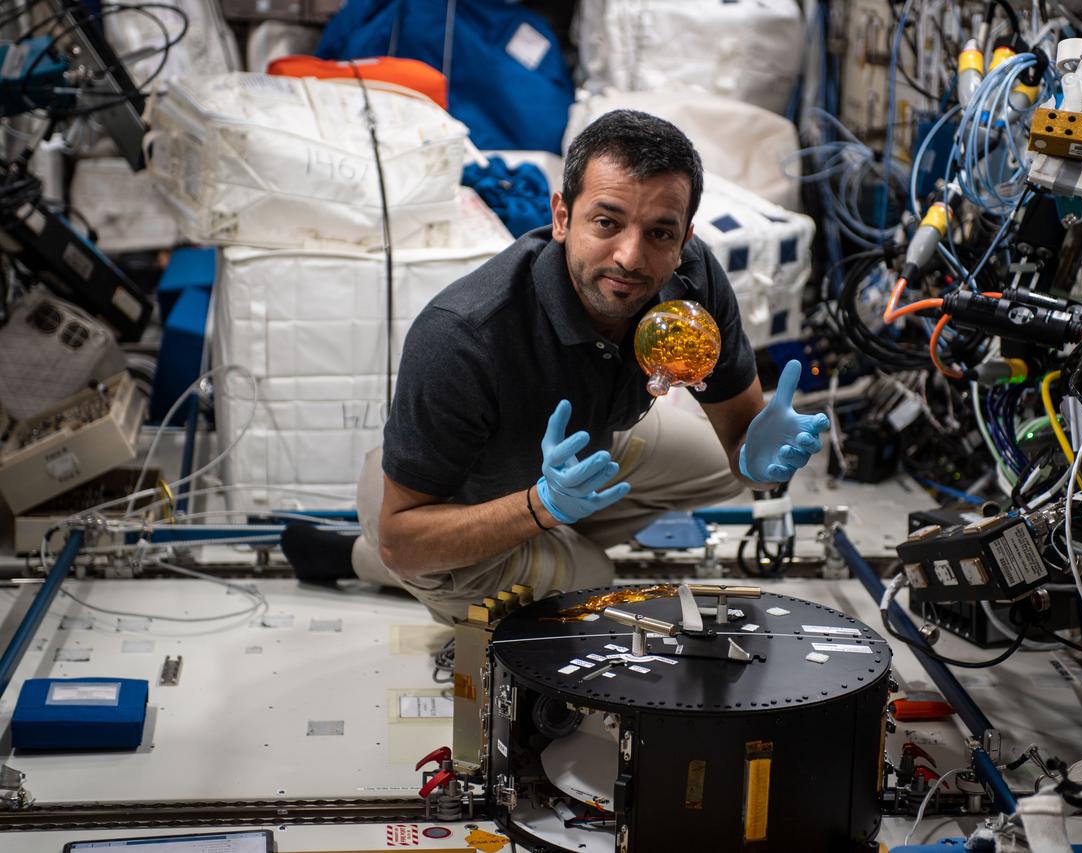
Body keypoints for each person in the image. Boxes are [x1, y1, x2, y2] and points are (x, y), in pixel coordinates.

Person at [289, 109, 828, 624]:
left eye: (660, 233)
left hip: (581, 447)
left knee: (714, 469)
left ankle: (543, 541)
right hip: (437, 501)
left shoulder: (690, 279)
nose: (631, 257)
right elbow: (402, 539)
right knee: (594, 578)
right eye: (606, 222)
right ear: (562, 218)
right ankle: (380, 561)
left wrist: (755, 464)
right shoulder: (463, 336)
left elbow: (739, 439)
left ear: (685, 238)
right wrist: (542, 506)